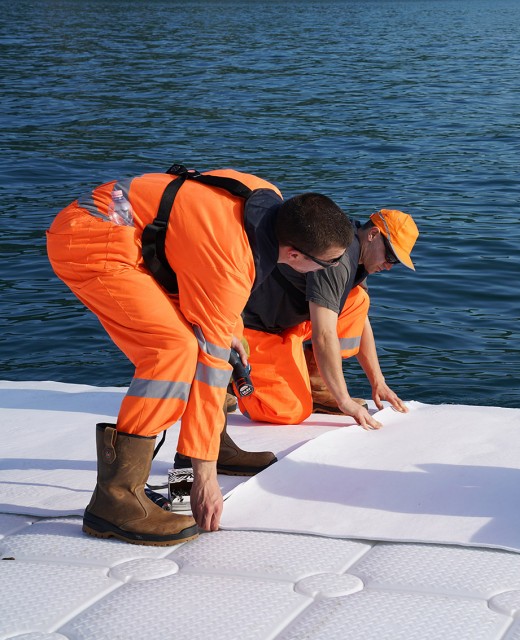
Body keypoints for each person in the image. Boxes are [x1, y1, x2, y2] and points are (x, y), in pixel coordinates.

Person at [46, 165, 355, 546]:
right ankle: (117, 498)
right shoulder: (232, 262)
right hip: (92, 239)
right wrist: (205, 482)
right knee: (173, 349)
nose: (335, 270)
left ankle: (199, 458)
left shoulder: (267, 201)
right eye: (329, 264)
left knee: (221, 341)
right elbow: (210, 371)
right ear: (294, 254)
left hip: (147, 240)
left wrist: (230, 329)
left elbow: (196, 241)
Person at [238, 209, 419, 430]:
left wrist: (378, 381)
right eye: (390, 256)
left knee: (358, 300)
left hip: (288, 321)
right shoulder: (337, 260)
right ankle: (231, 379)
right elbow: (324, 334)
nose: (389, 266)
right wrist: (344, 401)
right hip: (255, 327)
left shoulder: (355, 247)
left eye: (396, 262)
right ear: (373, 234)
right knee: (289, 411)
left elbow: (360, 320)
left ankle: (318, 387)